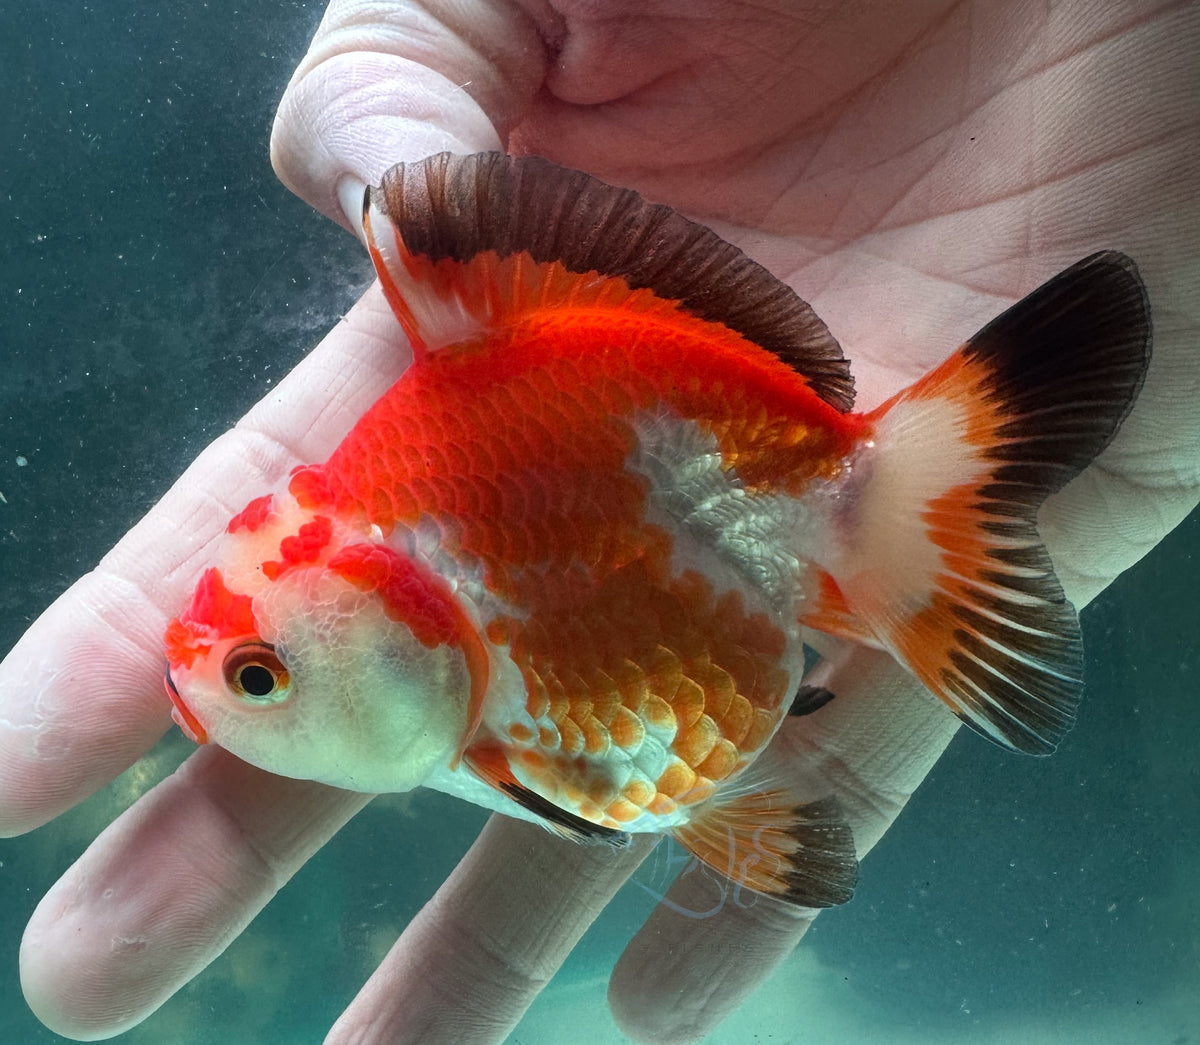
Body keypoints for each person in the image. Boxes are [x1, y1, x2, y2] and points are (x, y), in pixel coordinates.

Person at [4, 2, 1198, 1042]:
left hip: (715, 435)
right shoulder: (466, 654)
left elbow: (706, 804)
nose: (224, 700)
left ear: (412, 630)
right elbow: (741, 812)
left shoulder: (500, 702)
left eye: (260, 676)